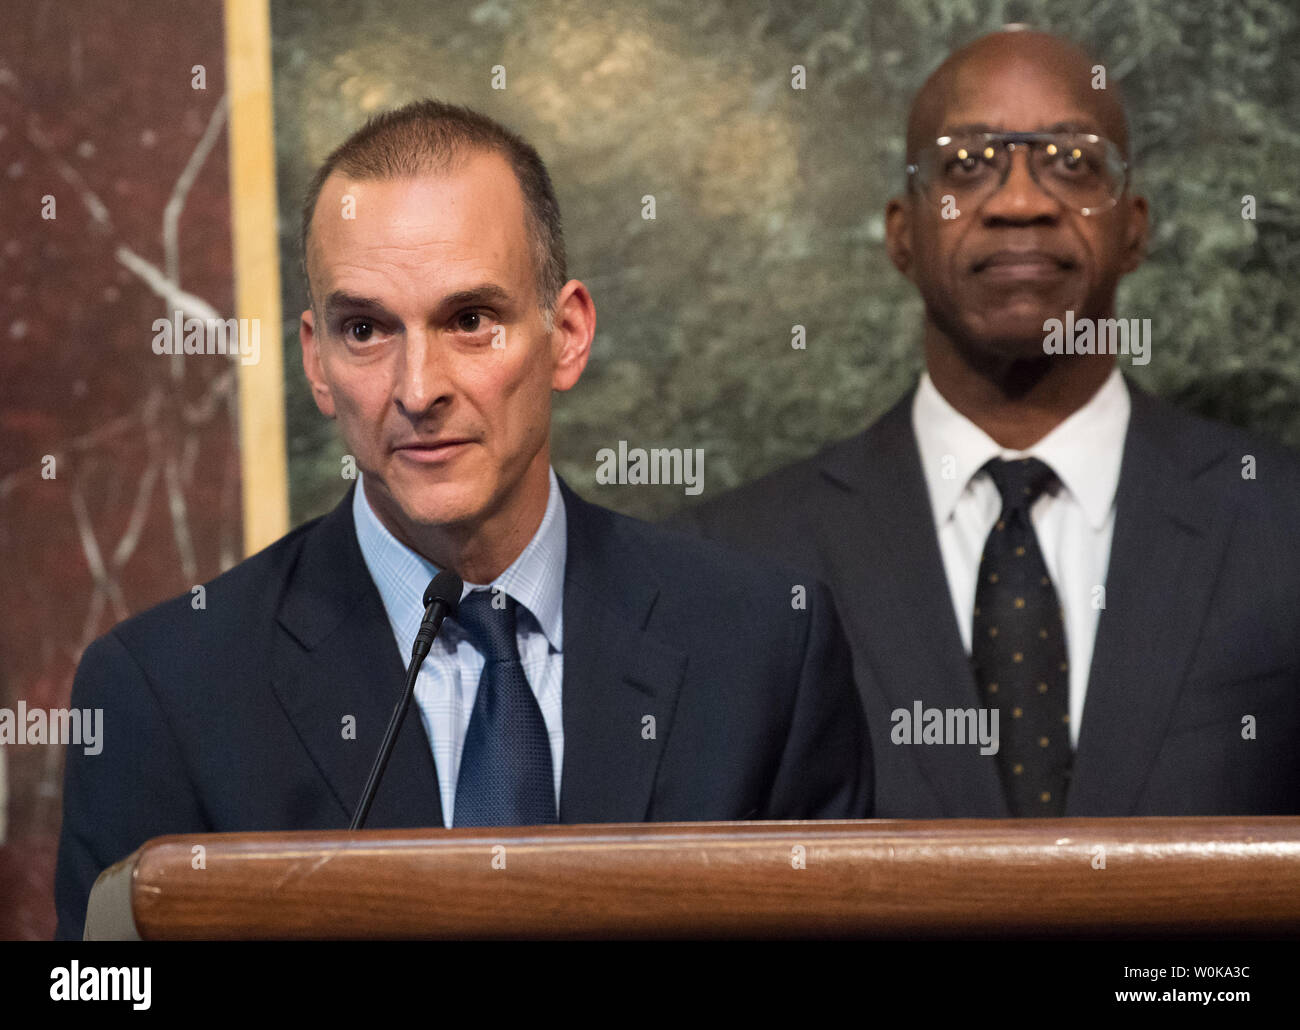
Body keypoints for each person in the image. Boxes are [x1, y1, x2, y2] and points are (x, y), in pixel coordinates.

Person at [54, 100, 870, 939]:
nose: (417, 389)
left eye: (470, 320)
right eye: (366, 329)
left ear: (568, 335)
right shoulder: (167, 689)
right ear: (317, 362)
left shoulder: (764, 649)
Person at [677, 29, 1300, 819]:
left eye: (1072, 161)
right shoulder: (740, 565)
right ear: (902, 233)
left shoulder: (1280, 527)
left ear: (1134, 228)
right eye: (967, 163)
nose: (1020, 201)